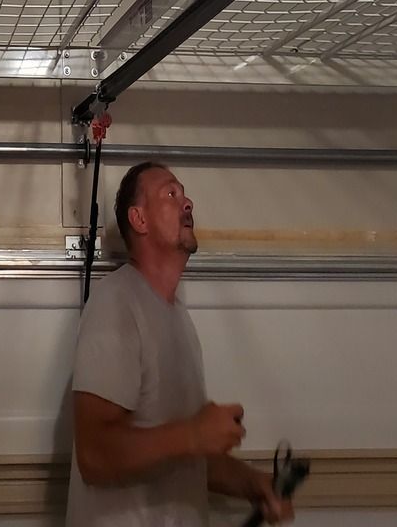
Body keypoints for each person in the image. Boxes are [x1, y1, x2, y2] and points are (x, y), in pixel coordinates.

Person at [66, 161, 294, 526]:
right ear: (139, 220)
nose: (187, 203)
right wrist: (192, 433)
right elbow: (94, 455)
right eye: (171, 194)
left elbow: (184, 456)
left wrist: (257, 485)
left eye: (185, 194)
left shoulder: (179, 321)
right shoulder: (115, 304)